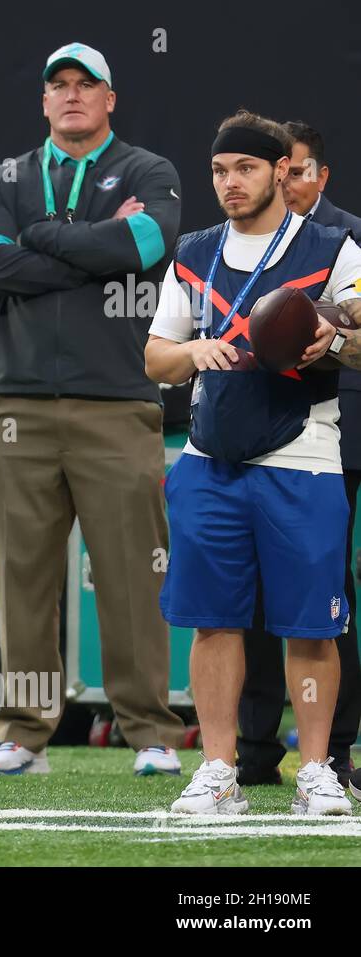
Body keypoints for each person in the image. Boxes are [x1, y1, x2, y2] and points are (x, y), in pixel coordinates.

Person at [0, 41, 186, 775]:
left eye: (85, 85)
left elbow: (147, 241)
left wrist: (47, 239)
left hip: (117, 403)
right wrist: (95, 249)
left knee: (130, 575)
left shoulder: (150, 171)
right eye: (57, 85)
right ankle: (24, 735)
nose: (70, 95)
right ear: (44, 101)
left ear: (110, 98)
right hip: (17, 405)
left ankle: (150, 732)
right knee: (21, 576)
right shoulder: (7, 176)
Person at [145, 110, 361, 815]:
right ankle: (217, 768)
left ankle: (317, 767)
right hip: (211, 455)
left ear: (281, 171)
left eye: (244, 168)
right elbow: (156, 356)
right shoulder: (195, 250)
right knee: (213, 620)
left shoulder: (334, 246)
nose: (229, 182)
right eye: (218, 170)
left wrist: (331, 341)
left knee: (311, 623)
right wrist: (191, 354)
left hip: (302, 453)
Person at [235, 121, 361, 788]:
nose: (290, 183)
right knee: (251, 589)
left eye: (302, 172)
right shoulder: (242, 241)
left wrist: (329, 333)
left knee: (327, 591)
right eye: (282, 172)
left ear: (321, 175)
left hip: (337, 432)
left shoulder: (345, 239)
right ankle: (254, 748)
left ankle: (336, 748)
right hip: (258, 430)